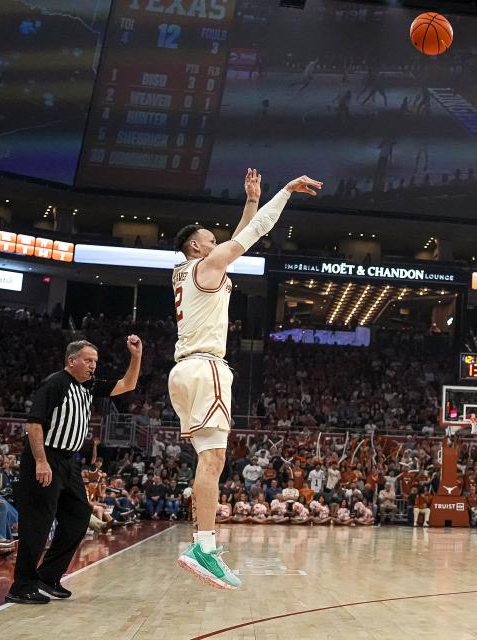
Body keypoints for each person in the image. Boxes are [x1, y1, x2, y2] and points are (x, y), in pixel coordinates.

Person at [170, 169, 321, 590]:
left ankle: (204, 542)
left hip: (185, 369)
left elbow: (239, 234)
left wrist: (251, 199)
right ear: (195, 247)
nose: (218, 244)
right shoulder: (206, 264)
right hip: (206, 368)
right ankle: (203, 545)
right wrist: (284, 192)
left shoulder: (189, 272)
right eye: (211, 240)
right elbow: (254, 233)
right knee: (214, 460)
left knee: (209, 460)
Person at [7, 337, 142, 604]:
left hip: (69, 463)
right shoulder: (54, 383)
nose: (94, 366)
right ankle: (21, 586)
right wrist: (41, 461)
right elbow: (33, 425)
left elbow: (128, 384)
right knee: (38, 524)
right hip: (45, 458)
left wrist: (136, 356)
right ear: (72, 361)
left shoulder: (88, 386)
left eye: (95, 361)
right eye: (89, 360)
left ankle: (47, 577)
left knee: (79, 516)